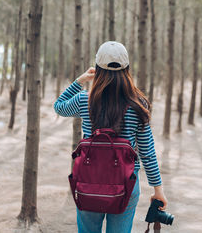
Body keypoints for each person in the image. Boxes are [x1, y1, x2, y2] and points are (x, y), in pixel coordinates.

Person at [54, 41, 168, 233]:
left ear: (97, 69)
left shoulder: (85, 100)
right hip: (126, 184)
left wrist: (79, 81)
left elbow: (59, 106)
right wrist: (158, 190)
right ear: (127, 69)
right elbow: (147, 152)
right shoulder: (138, 104)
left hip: (88, 182)